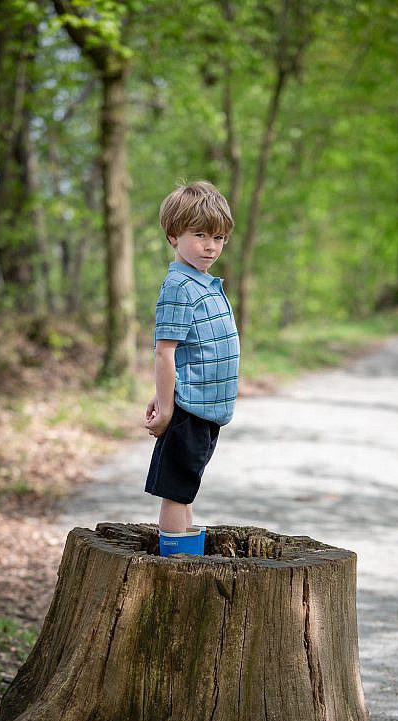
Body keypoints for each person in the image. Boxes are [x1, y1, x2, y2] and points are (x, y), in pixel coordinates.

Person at [144, 181, 240, 539]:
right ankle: (177, 564)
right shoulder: (179, 287)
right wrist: (167, 409)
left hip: (204, 408)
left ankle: (187, 556)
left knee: (185, 487)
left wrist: (163, 393)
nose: (210, 246)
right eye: (200, 235)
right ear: (173, 235)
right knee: (175, 492)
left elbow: (184, 354)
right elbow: (164, 352)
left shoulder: (202, 283)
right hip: (188, 411)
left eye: (218, 238)